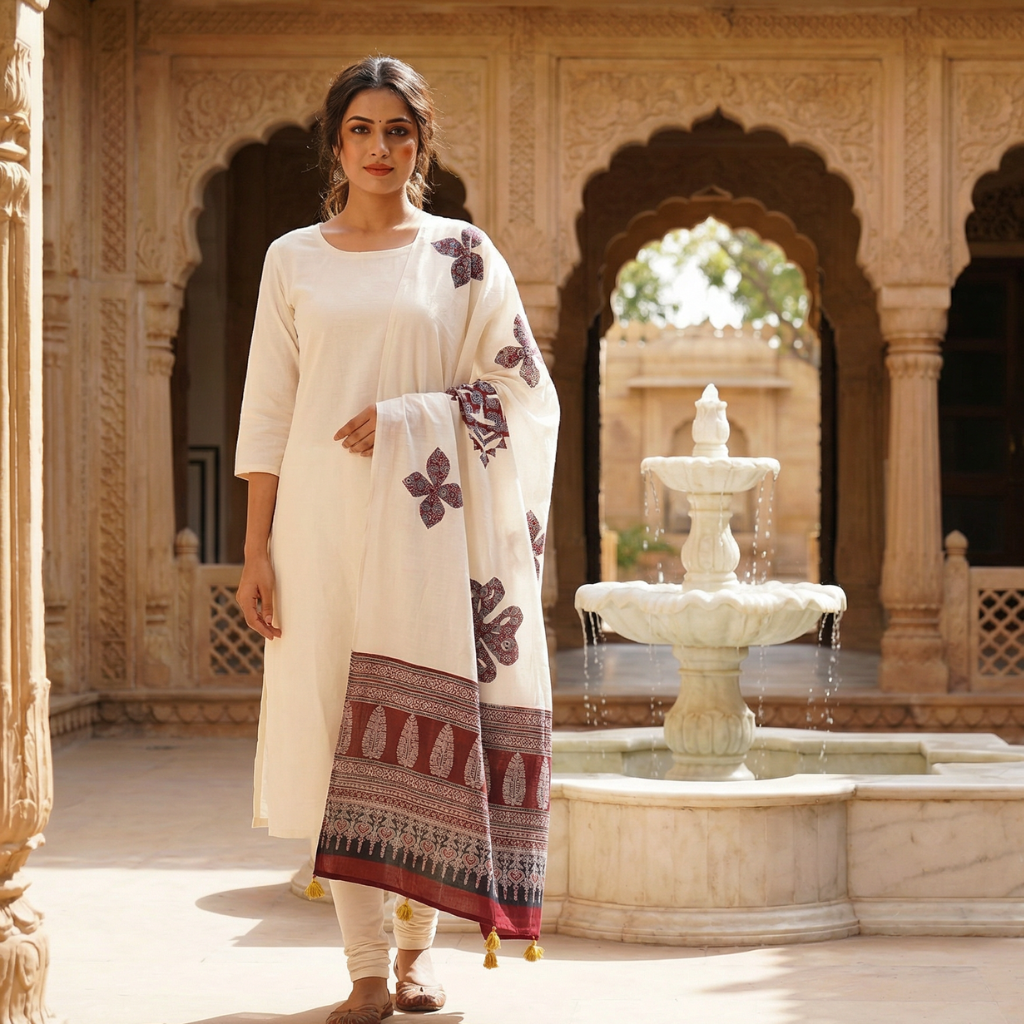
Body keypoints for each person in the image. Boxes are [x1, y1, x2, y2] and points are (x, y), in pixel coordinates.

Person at [235, 56, 559, 1024]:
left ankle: (416, 963)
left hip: (431, 531)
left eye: (399, 131)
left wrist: (416, 413)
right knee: (342, 740)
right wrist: (255, 549)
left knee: (428, 740)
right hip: (320, 529)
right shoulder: (295, 257)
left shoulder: (460, 253)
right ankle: (364, 973)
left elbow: (521, 392)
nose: (381, 148)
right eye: (362, 130)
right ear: (335, 143)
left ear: (422, 143)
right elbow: (267, 411)